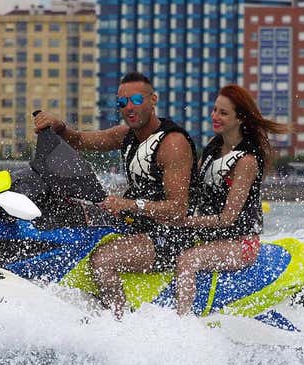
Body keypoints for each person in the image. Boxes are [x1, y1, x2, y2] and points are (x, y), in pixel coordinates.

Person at [33, 72, 198, 318]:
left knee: (103, 260)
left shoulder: (172, 143)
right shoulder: (125, 135)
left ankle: (121, 326)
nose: (128, 108)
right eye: (122, 103)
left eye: (136, 100)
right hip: (136, 225)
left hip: (172, 237)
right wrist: (60, 128)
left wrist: (127, 204)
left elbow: (177, 209)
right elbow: (78, 140)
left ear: (153, 100)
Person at [174, 85, 288, 316]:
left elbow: (228, 218)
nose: (215, 116)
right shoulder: (213, 148)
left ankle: (182, 323)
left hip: (241, 244)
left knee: (187, 260)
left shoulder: (247, 160)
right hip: (209, 235)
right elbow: (192, 190)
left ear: (240, 118)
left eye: (223, 113)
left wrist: (185, 223)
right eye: (214, 110)